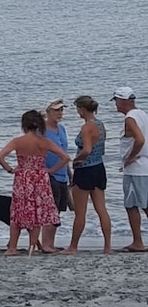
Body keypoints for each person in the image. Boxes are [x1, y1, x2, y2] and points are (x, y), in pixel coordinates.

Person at [0, 110, 69, 256]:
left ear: (24, 124)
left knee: (17, 212)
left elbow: (0, 157)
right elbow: (65, 157)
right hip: (40, 178)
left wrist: (10, 170)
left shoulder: (17, 141)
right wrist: (51, 170)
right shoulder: (44, 142)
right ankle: (32, 247)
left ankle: (12, 248)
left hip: (22, 178)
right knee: (37, 213)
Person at [61, 96, 111, 255]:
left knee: (80, 212)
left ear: (82, 109)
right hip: (99, 167)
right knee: (101, 209)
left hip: (85, 169)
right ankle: (107, 246)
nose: (77, 112)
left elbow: (87, 149)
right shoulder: (100, 124)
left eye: (78, 109)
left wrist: (76, 160)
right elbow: (101, 147)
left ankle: (73, 246)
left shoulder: (87, 127)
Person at [112, 87, 148, 252]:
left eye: (116, 101)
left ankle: (138, 242)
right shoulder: (142, 114)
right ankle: (138, 241)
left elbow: (140, 139)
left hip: (136, 168)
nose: (115, 104)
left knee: (132, 204)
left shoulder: (130, 118)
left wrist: (131, 157)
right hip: (144, 165)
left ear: (123, 101)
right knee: (145, 203)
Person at [40, 99, 72, 253]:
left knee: (57, 210)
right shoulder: (42, 131)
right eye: (56, 110)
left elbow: (64, 153)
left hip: (62, 174)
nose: (60, 113)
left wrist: (69, 174)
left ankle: (51, 243)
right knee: (49, 209)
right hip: (49, 174)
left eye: (61, 110)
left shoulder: (62, 129)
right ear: (48, 112)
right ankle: (45, 243)